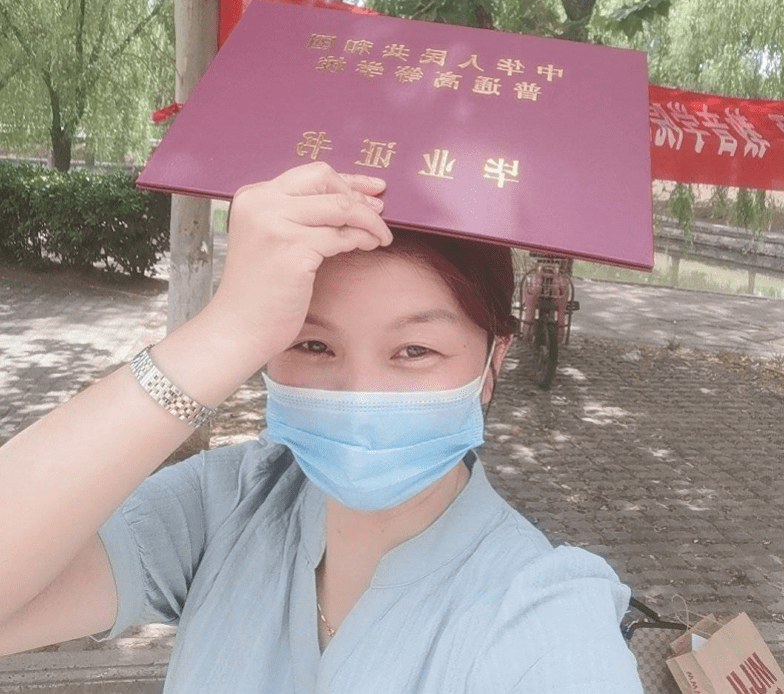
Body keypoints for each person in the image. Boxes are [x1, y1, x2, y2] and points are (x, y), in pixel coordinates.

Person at [0, 163, 643, 692]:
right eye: (313, 345)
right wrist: (222, 331)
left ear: (492, 362)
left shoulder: (545, 616)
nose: (361, 393)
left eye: (415, 351)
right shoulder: (228, 505)